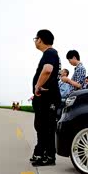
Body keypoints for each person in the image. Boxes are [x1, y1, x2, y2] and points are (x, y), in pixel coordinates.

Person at [30, 29, 61, 166]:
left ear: (40, 40)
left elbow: (47, 70)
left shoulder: (50, 53)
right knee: (41, 126)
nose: (35, 41)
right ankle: (40, 152)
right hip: (45, 98)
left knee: (46, 127)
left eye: (35, 39)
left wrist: (37, 86)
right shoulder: (50, 54)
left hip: (48, 98)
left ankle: (48, 156)